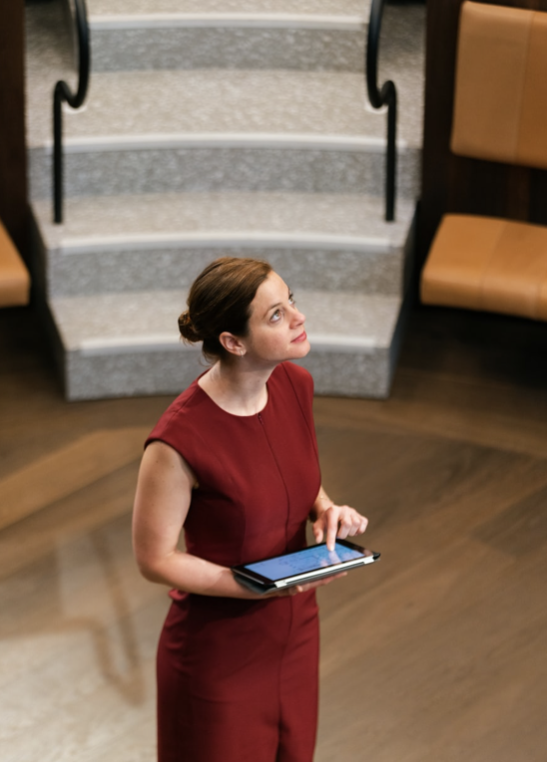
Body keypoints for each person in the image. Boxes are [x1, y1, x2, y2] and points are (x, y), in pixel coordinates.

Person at [133, 256, 369, 762]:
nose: (299, 317)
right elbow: (154, 559)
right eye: (276, 315)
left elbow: (298, 478)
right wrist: (251, 586)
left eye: (292, 301)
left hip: (296, 628)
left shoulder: (294, 385)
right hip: (219, 651)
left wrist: (325, 509)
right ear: (232, 342)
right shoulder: (177, 442)